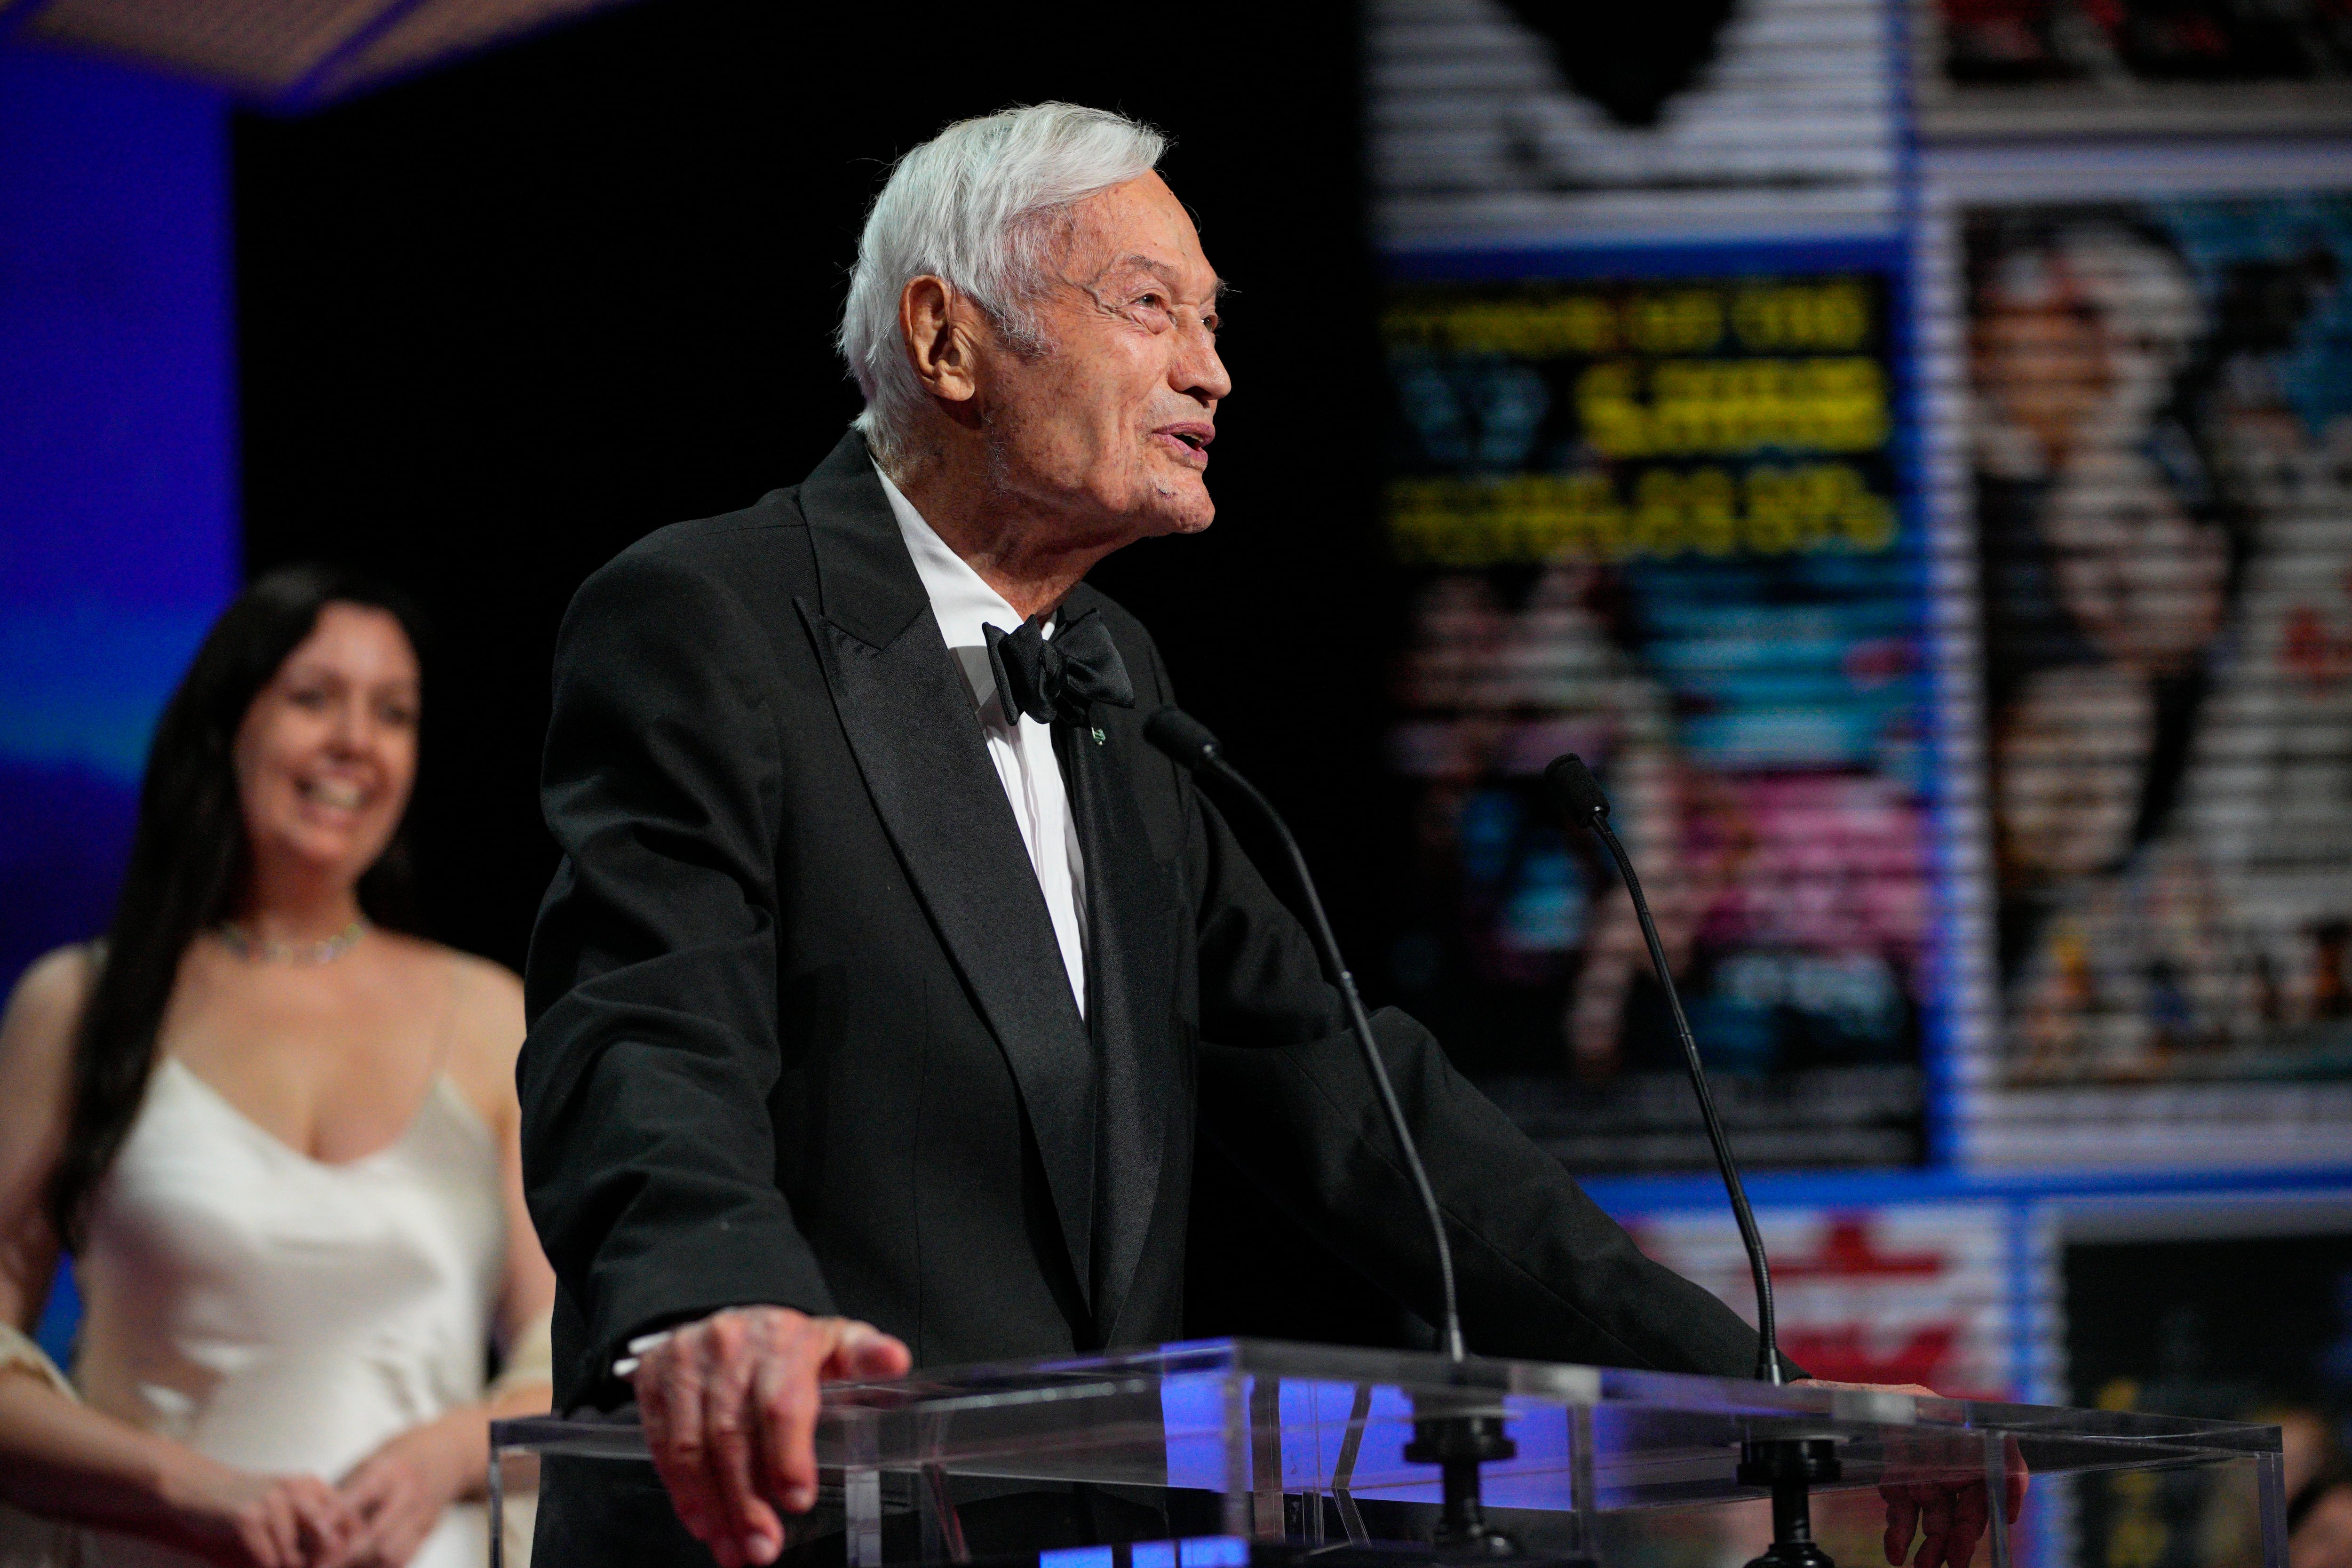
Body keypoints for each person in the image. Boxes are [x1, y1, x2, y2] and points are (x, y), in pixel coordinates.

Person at [520, 103, 2014, 1568]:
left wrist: (1759, 1382)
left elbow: (1358, 1102)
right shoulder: (712, 616)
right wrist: (713, 1303)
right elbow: (644, 1022)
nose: (1214, 371)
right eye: (1151, 307)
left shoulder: (1114, 680)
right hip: (775, 1518)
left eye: (1215, 321)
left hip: (1065, 1530)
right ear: (946, 339)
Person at [0, 566, 556, 1568]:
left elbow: (562, 1347)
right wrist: (185, 1484)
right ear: (227, 727)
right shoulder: (81, 1001)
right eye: (313, 698)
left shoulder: (487, 1011)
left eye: (393, 712)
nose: (355, 740)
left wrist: (443, 1453)